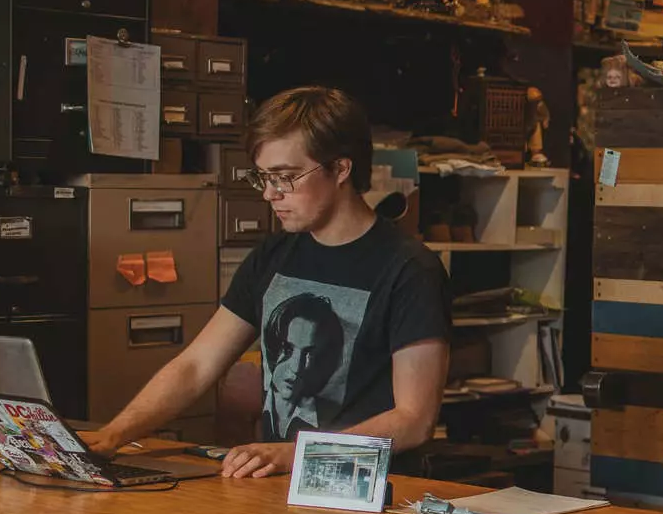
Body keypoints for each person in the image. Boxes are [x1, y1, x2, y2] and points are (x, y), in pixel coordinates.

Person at [81, 87, 450, 479]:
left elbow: (413, 420)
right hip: (282, 487)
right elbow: (196, 365)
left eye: (287, 177)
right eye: (265, 178)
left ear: (341, 169)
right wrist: (112, 436)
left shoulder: (410, 271)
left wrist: (297, 455)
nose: (271, 194)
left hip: (371, 492)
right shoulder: (274, 256)